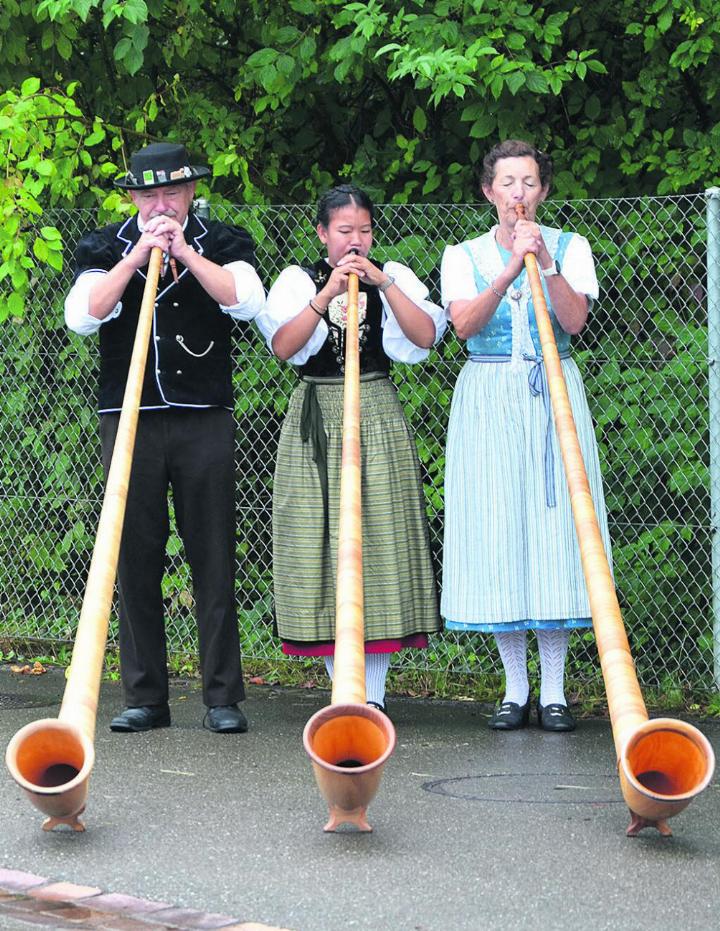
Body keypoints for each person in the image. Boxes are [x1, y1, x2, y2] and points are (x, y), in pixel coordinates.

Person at [65, 142, 264, 734]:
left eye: (170, 194)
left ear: (191, 192)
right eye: (147, 195)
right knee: (133, 556)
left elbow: (245, 301)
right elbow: (82, 315)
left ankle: (222, 696)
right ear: (132, 197)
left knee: (212, 554)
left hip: (203, 415)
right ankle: (145, 696)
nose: (159, 205)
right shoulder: (104, 244)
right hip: (127, 418)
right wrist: (134, 260)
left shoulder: (222, 239)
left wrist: (185, 252)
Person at [440, 139, 612, 732]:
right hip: (488, 397)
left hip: (553, 392)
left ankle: (557, 690)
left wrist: (545, 262)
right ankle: (515, 689)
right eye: (507, 183)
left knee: (556, 530)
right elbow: (462, 326)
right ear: (489, 192)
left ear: (542, 191)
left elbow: (575, 322)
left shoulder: (571, 246)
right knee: (500, 531)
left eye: (529, 183)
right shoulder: (461, 254)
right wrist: (510, 267)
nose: (519, 194)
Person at [256, 184, 445, 712]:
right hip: (318, 416)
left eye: (364, 231)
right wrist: (326, 297)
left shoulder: (395, 275)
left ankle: (375, 699)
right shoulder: (299, 280)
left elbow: (426, 337)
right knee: (325, 546)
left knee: (379, 541)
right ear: (322, 234)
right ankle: (344, 691)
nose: (355, 241)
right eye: (344, 232)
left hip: (376, 412)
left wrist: (382, 284)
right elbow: (283, 347)